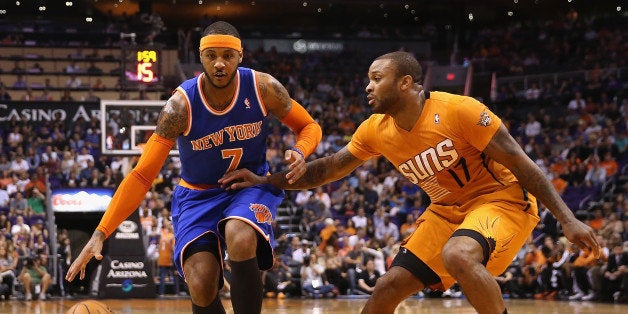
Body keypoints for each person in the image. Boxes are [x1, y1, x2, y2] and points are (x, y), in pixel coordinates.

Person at [219, 51, 600, 314]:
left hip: (500, 201)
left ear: (405, 83)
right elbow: (328, 168)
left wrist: (566, 218)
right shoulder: (375, 129)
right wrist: (265, 179)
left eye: (375, 78)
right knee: (387, 288)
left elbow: (520, 161)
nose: (367, 86)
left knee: (457, 255)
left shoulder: (459, 110)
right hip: (446, 212)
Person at [66, 21, 322, 314]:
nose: (219, 64)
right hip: (198, 195)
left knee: (239, 234)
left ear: (240, 56)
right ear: (201, 58)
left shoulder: (263, 87)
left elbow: (309, 126)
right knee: (200, 284)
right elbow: (142, 174)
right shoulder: (180, 106)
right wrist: (100, 233)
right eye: (211, 55)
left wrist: (301, 151)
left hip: (248, 186)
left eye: (227, 55)